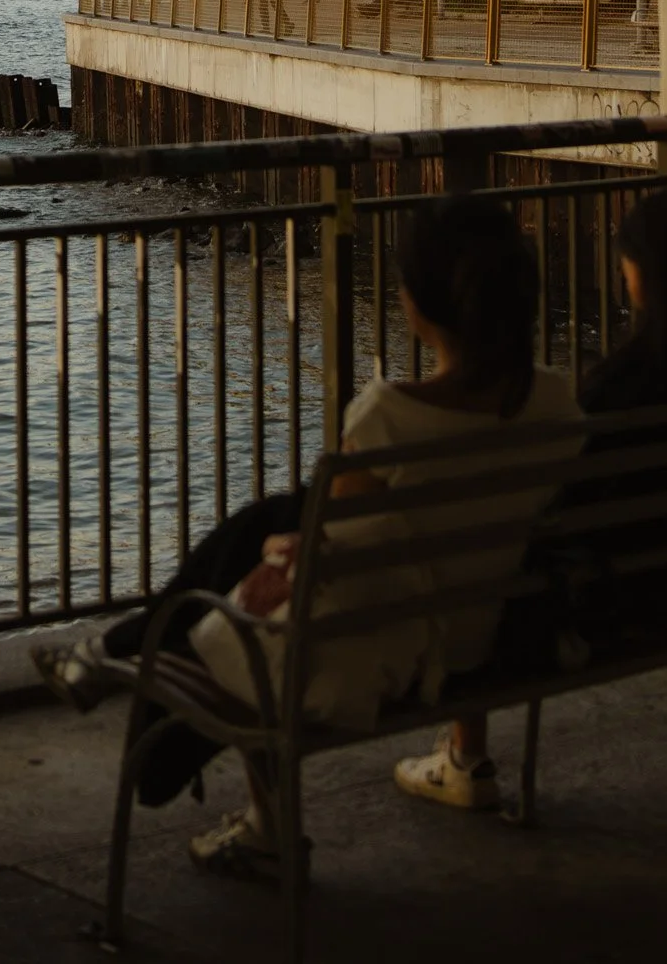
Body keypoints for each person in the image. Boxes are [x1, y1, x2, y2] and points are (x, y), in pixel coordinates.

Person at [35, 197, 580, 878]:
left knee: (249, 576)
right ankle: (114, 654)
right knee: (267, 525)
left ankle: (261, 820)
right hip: (490, 631)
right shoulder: (559, 403)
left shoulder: (387, 417)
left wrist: (275, 561)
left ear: (417, 305)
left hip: (384, 654)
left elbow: (321, 557)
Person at [391, 183, 667, 813]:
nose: (622, 270)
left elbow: (558, 512)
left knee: (491, 561)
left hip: (611, 603)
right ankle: (460, 755)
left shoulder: (628, 387)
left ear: (652, 273)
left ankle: (463, 755)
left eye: (627, 259)